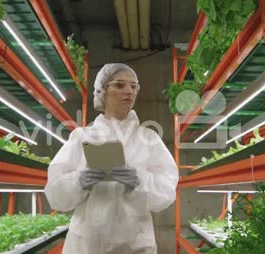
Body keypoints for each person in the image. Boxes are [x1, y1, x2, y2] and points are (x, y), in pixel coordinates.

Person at [44, 63, 179, 254]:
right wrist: (79, 180)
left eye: (133, 86)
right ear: (102, 91)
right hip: (86, 245)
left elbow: (166, 192)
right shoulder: (81, 137)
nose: (129, 91)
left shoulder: (149, 138)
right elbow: (55, 196)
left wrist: (140, 180)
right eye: (120, 85)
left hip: (135, 245)